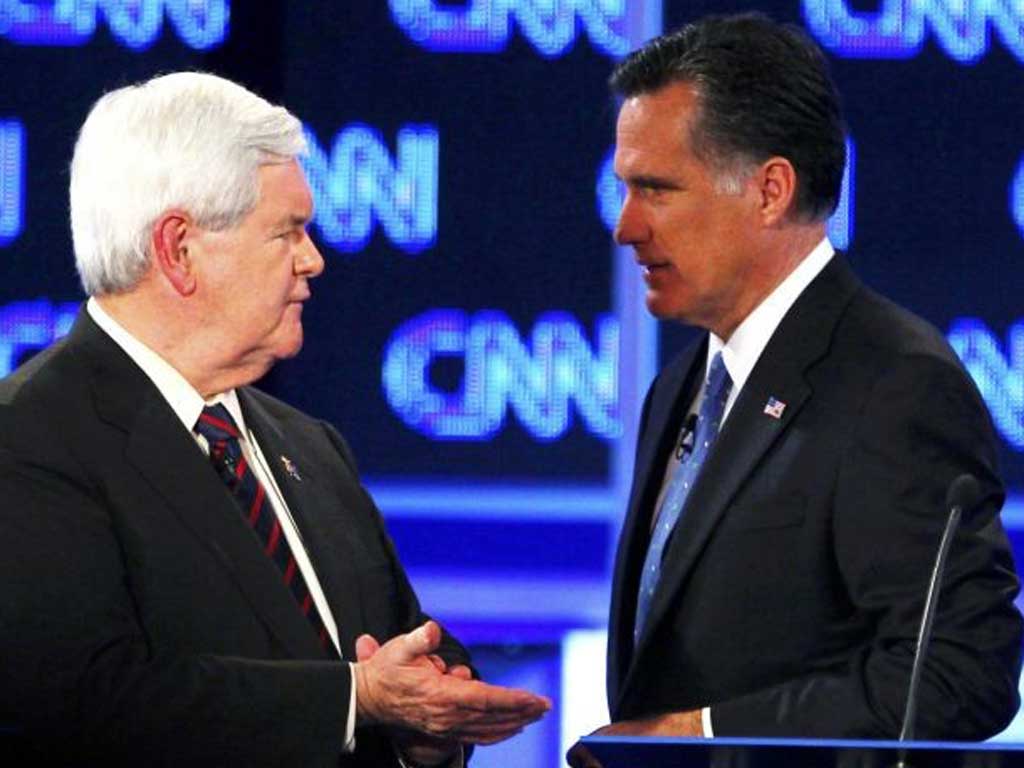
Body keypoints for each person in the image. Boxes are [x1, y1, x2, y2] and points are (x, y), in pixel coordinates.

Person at [0, 72, 550, 767]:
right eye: (287, 231)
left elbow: (404, 647)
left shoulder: (310, 447)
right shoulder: (30, 438)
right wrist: (359, 701)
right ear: (180, 249)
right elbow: (82, 700)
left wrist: (430, 729)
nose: (313, 259)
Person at [569, 13, 1022, 764]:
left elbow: (958, 669)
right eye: (624, 189)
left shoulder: (894, 381)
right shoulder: (680, 387)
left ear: (770, 190)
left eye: (655, 189)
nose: (624, 226)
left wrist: (705, 733)